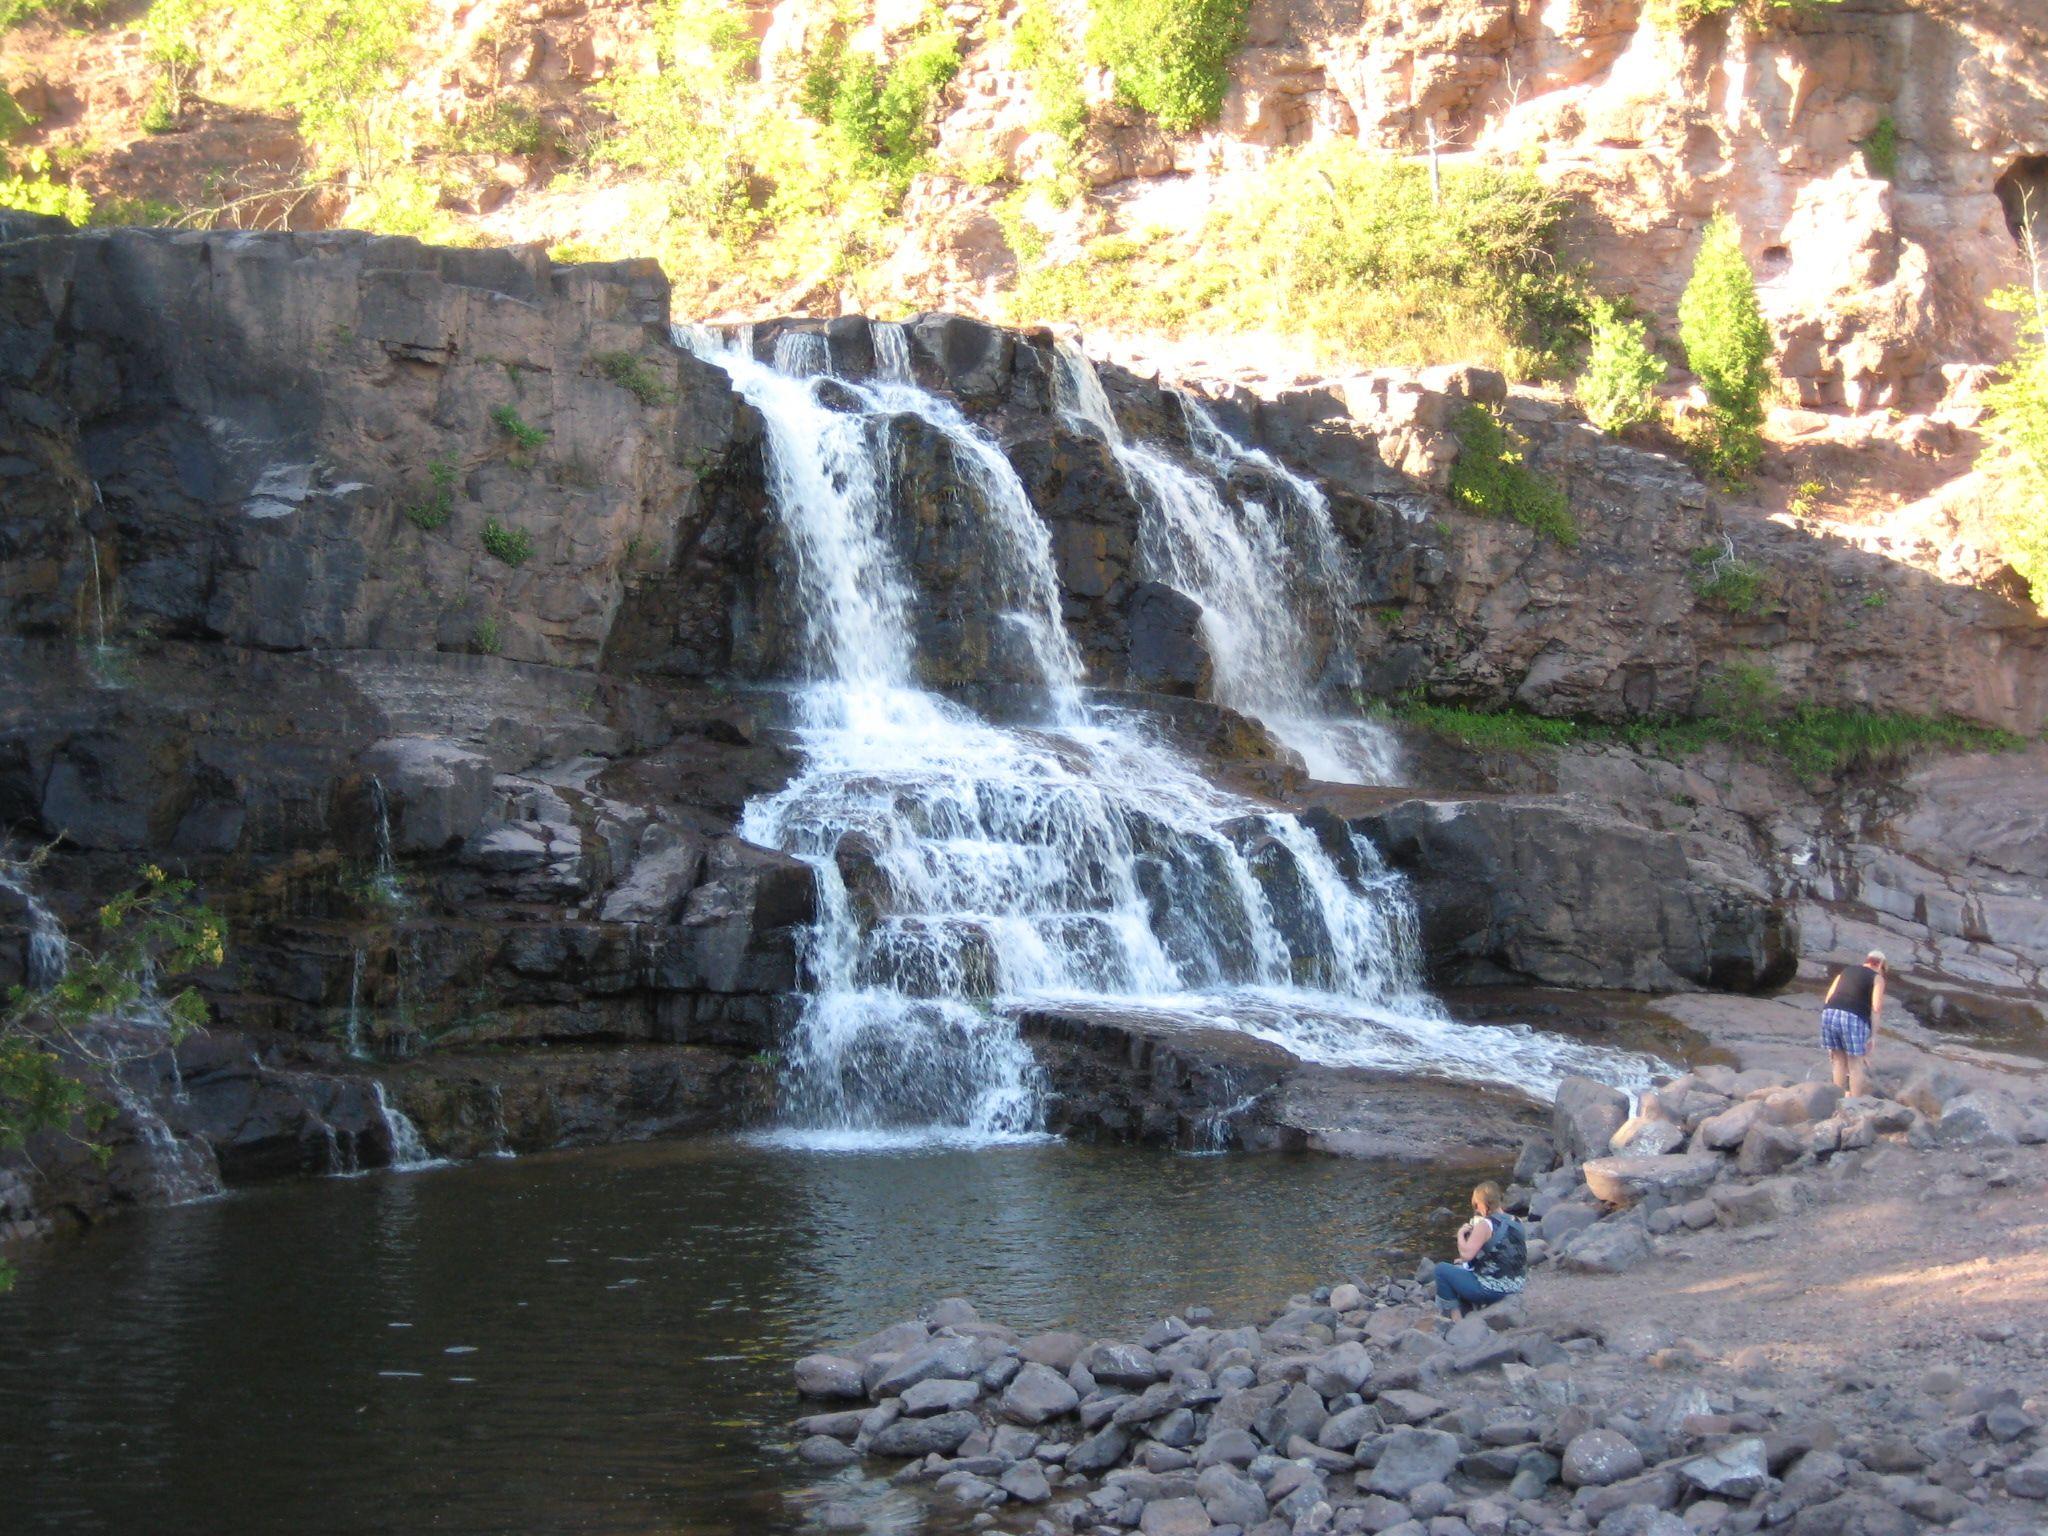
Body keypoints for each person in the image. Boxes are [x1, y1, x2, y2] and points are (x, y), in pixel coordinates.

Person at [1433, 1181, 1526, 1324]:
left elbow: (1466, 1255)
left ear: (1483, 1203)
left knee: (1441, 1270)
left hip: (1493, 1288)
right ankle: (1472, 1311)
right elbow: (1502, 1253)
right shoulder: (1517, 1221)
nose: (1476, 1209)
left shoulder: (1485, 1225)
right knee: (1460, 1268)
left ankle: (1456, 1320)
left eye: (1476, 1205)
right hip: (1516, 1284)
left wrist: (1460, 1235)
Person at [1820, 948, 1886, 1098]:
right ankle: (1854, 1104)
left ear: (1867, 960)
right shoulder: (1877, 978)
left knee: (1838, 1060)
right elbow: (1876, 1008)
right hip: (1852, 1017)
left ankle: (1835, 1099)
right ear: (1881, 965)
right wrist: (1873, 1036)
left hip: (1829, 1012)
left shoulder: (1847, 970)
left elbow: (1829, 996)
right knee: (1855, 1063)